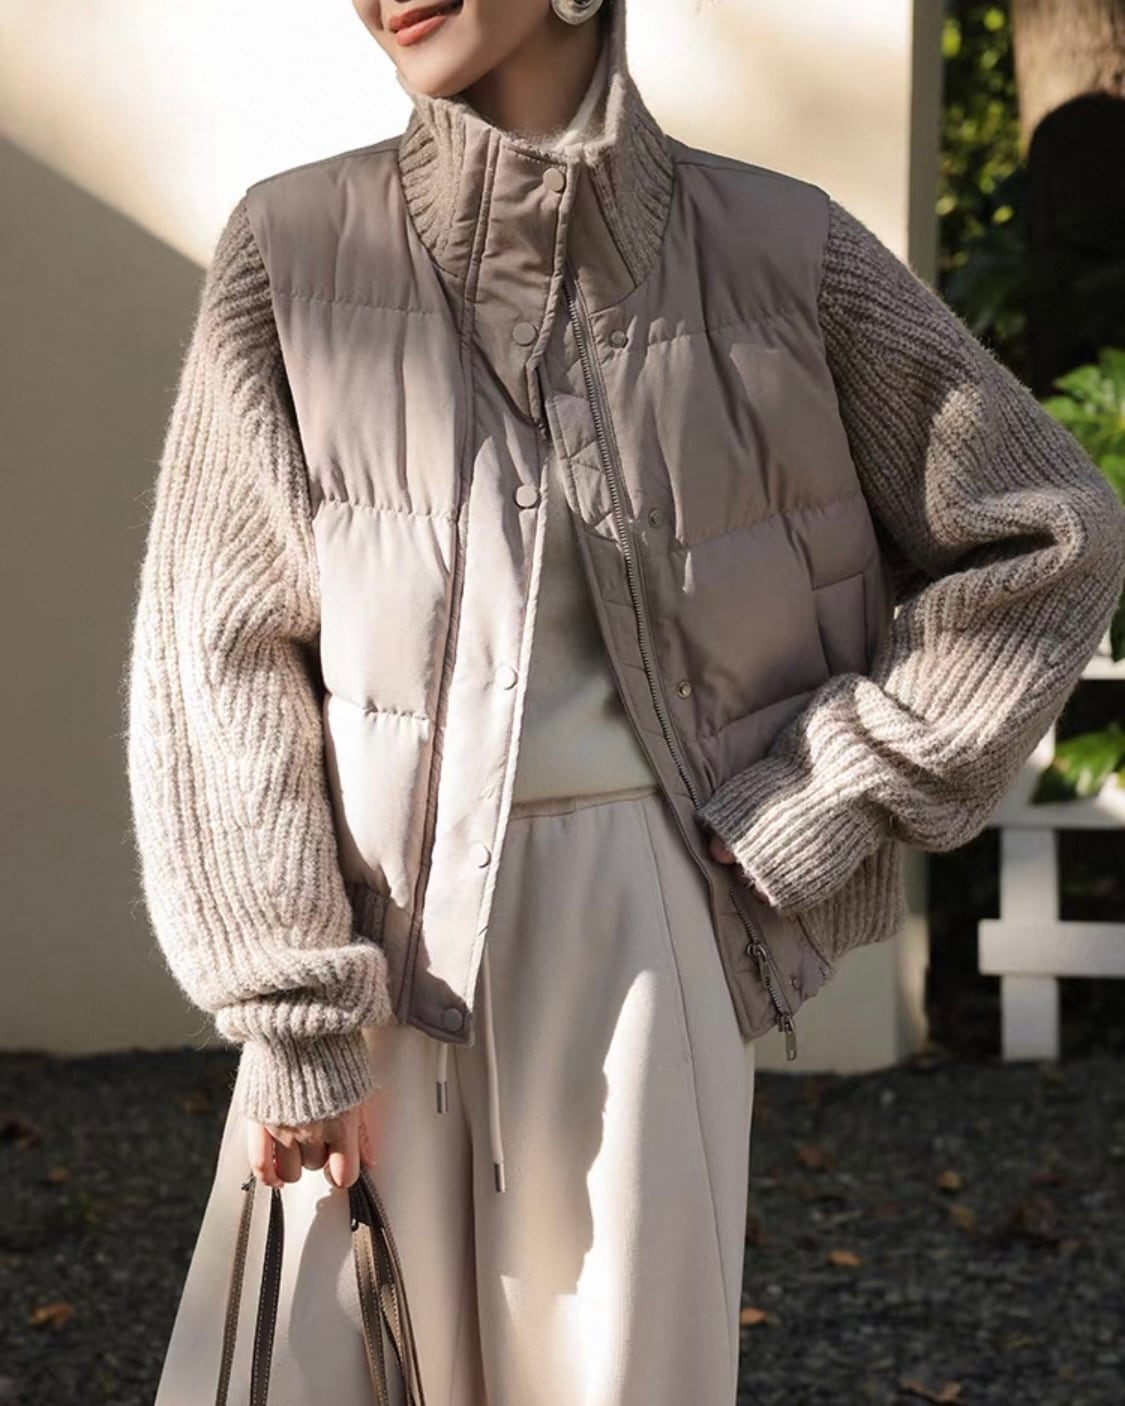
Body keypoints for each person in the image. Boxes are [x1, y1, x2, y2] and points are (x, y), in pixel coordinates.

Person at [124, 0, 1125, 1402]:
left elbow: (1050, 530)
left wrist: (827, 790)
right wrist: (294, 1013)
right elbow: (220, 649)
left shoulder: (783, 250)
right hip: (367, 934)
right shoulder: (291, 248)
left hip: (652, 911)